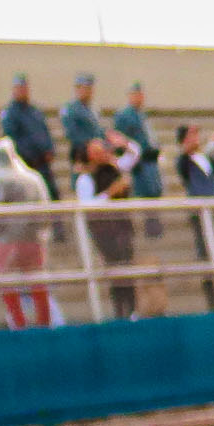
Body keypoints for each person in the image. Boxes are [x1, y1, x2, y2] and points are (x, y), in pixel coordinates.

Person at [0, 137, 56, 328]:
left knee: (5, 282)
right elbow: (45, 208)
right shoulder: (33, 178)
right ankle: (43, 322)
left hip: (6, 240)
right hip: (34, 239)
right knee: (38, 282)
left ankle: (18, 321)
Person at [75, 138, 147, 318]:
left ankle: (132, 312)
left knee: (127, 271)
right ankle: (121, 312)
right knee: (117, 273)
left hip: (123, 228)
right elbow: (87, 205)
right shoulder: (85, 178)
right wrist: (110, 193)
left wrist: (123, 143)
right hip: (105, 232)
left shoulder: (115, 168)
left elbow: (135, 154)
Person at [0, 75, 56, 197]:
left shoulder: (35, 111)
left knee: (51, 195)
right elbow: (11, 140)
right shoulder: (10, 114)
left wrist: (49, 149)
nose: (22, 91)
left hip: (43, 167)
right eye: (19, 88)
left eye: (24, 88)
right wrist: (31, 154)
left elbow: (45, 132)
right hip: (26, 166)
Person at [113, 83, 165, 199]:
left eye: (141, 95)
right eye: (136, 95)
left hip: (150, 159)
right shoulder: (124, 116)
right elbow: (120, 141)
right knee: (143, 193)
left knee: (155, 192)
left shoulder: (142, 115)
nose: (139, 98)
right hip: (138, 162)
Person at [62, 73, 106, 171]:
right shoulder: (71, 109)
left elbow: (98, 132)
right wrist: (91, 144)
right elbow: (71, 133)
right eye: (85, 88)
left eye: (90, 89)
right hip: (81, 155)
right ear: (78, 89)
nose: (88, 92)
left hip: (96, 157)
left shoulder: (92, 110)